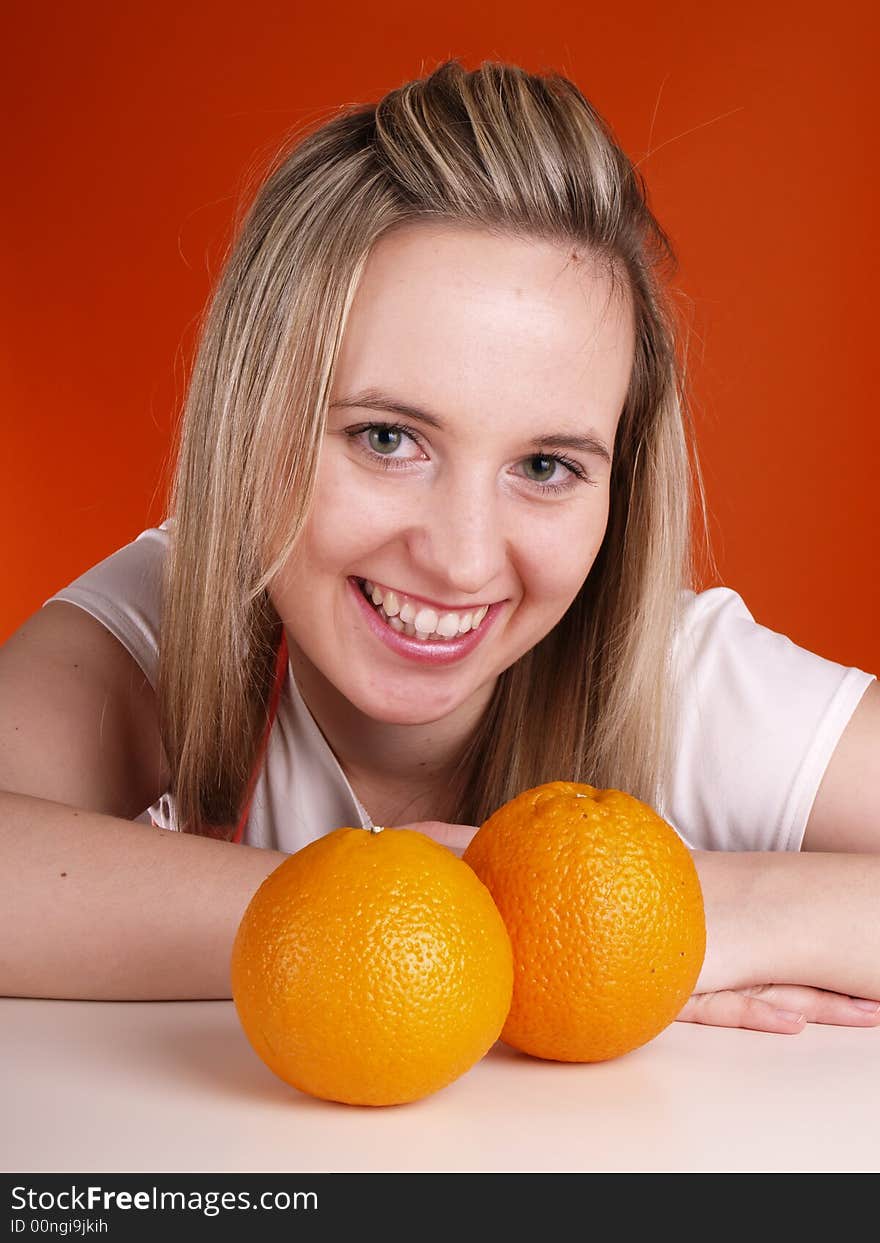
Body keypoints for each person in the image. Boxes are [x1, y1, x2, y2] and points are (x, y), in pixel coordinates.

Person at [1, 60, 878, 1035]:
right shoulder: (159, 617)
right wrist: (443, 911)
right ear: (250, 425)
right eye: (386, 439)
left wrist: (691, 914)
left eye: (545, 465)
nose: (461, 559)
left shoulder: (683, 676)